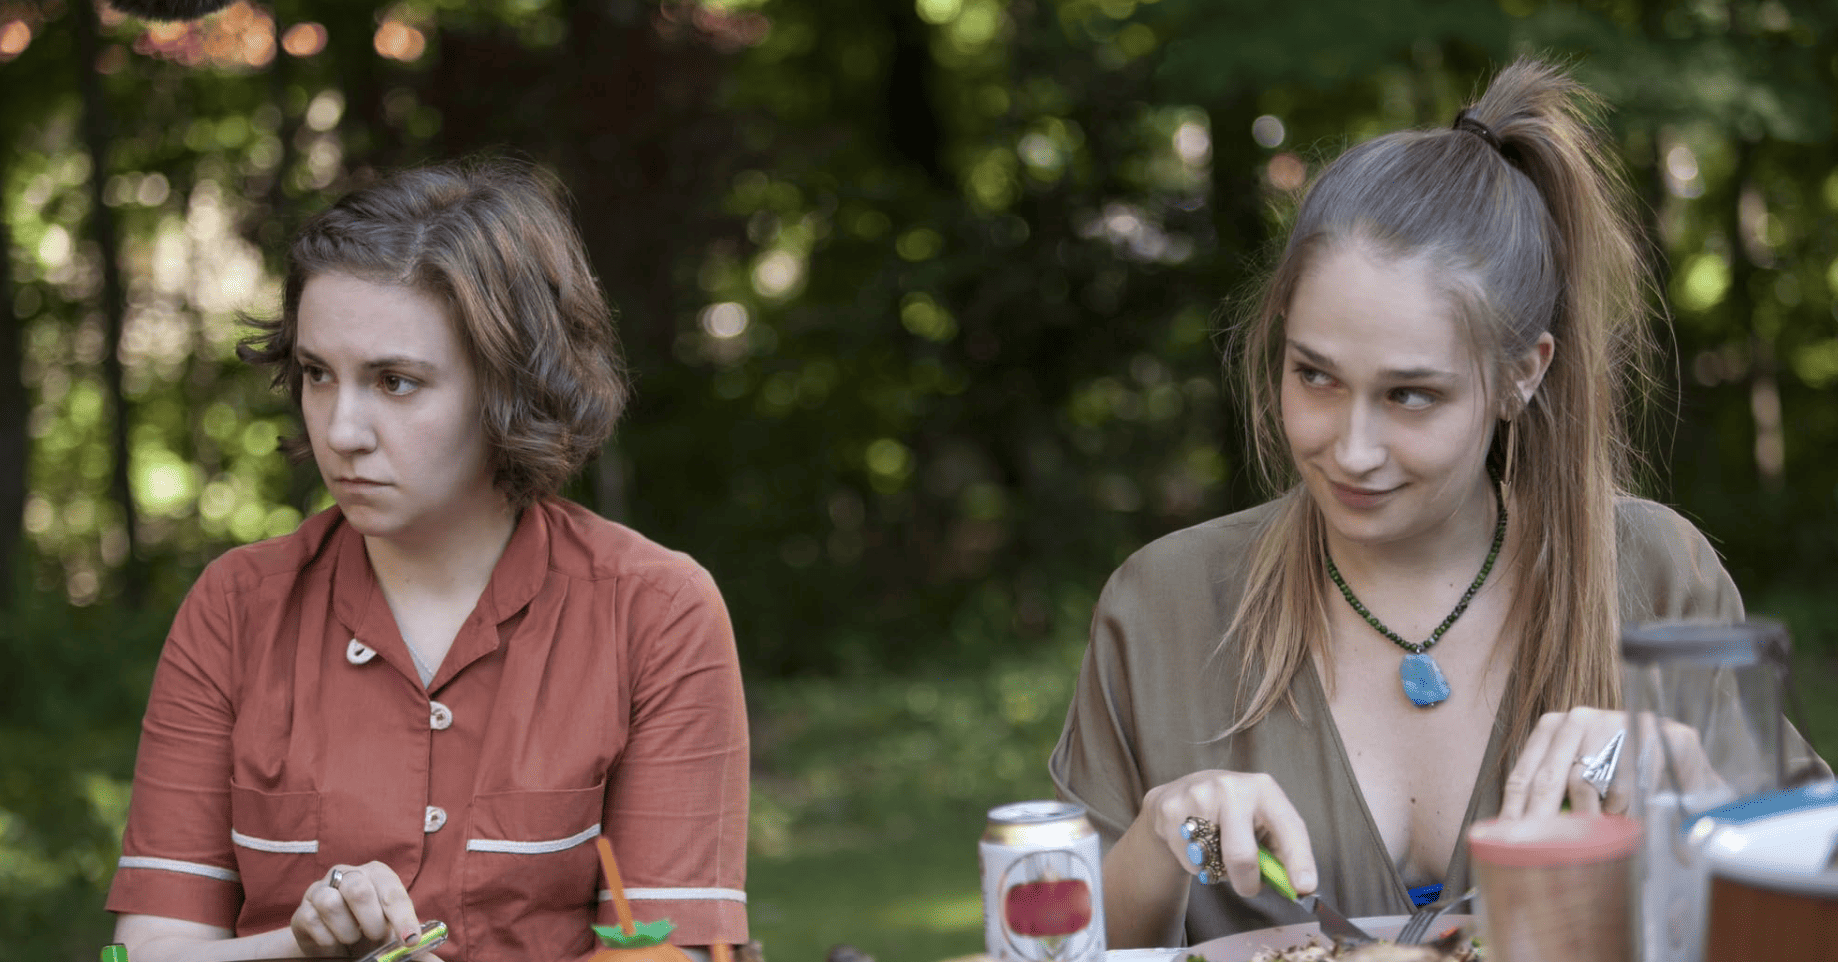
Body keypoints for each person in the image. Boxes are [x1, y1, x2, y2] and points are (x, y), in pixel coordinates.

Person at [1048, 58, 1828, 947]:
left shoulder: (1653, 574)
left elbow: (1801, 915)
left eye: (1410, 395)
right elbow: (1059, 945)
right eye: (1315, 376)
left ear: (1520, 376)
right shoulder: (1163, 607)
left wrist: (1698, 795)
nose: (1351, 448)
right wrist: (1159, 841)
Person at [106, 159, 750, 961]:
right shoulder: (237, 607)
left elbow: (678, 952)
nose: (340, 430)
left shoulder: (655, 610)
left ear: (510, 385)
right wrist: (300, 951)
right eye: (316, 374)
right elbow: (148, 953)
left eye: (395, 382)